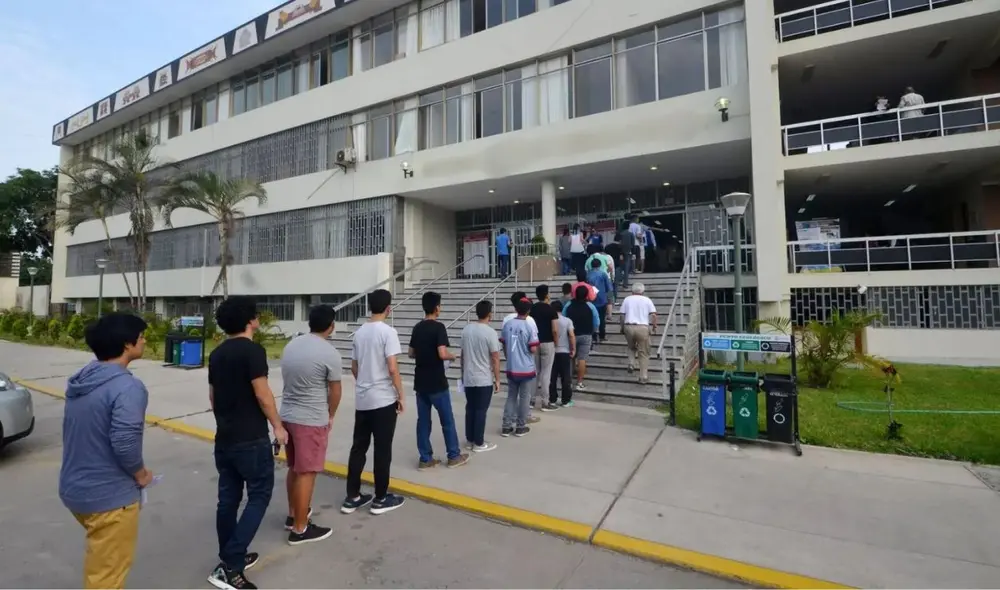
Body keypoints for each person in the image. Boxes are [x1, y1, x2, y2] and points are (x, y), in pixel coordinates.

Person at [60, 313, 151, 590]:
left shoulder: (84, 380)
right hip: (109, 500)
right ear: (127, 344)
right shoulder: (128, 387)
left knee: (102, 565)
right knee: (106, 579)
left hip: (75, 490)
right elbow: (124, 442)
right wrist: (141, 473)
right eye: (141, 336)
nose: (145, 340)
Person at [208, 296, 285, 590]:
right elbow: (263, 395)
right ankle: (231, 563)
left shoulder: (217, 354)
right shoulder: (253, 352)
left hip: (224, 438)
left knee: (227, 500)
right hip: (250, 438)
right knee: (259, 496)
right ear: (250, 321)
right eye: (256, 316)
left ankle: (229, 555)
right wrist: (278, 426)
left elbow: (213, 398)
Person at [279, 304, 342, 546]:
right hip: (311, 419)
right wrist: (330, 415)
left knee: (294, 468)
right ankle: (300, 529)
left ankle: (294, 515)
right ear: (331, 326)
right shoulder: (329, 353)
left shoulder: (292, 344)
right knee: (307, 472)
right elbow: (335, 391)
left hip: (288, 415)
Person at [343, 289, 406, 515]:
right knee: (382, 449)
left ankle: (353, 496)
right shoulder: (388, 332)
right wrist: (400, 395)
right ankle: (380, 498)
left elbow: (353, 366)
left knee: (359, 447)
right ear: (388, 308)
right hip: (382, 400)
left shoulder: (360, 333)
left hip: (363, 399)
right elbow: (392, 367)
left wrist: (365, 383)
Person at [409, 291, 469, 470]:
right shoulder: (439, 327)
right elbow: (442, 353)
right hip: (437, 382)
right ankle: (453, 455)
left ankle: (425, 458)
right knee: (447, 420)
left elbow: (411, 353)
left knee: (423, 421)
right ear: (436, 308)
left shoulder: (417, 327)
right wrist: (452, 356)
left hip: (420, 382)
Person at [460, 300, 501, 452]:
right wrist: (497, 379)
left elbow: (463, 355)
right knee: (481, 410)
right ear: (490, 314)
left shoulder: (466, 330)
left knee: (470, 408)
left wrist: (462, 374)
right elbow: (495, 358)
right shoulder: (490, 333)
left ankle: (470, 439)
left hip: (469, 377)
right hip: (484, 378)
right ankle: (479, 442)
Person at [499, 297, 539, 437]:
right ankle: (521, 426)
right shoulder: (529, 326)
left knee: (511, 396)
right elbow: (533, 349)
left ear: (516, 309)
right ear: (528, 310)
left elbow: (503, 343)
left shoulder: (508, 324)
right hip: (526, 368)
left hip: (511, 366)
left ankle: (506, 426)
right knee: (524, 397)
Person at [619, 283, 658, 384]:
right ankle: (643, 377)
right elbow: (653, 315)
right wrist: (654, 327)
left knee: (631, 347)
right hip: (642, 327)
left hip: (629, 326)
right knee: (644, 352)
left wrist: (622, 327)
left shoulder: (627, 299)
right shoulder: (647, 300)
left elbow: (622, 315)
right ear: (643, 292)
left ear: (632, 291)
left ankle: (631, 363)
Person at [529, 284, 559, 411]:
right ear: (547, 295)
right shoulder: (551, 310)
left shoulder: (532, 309)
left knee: (535, 372)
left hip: (535, 342)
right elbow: (555, 330)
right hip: (548, 342)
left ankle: (531, 400)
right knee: (546, 373)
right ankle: (545, 402)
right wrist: (556, 343)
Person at [564, 285, 600, 392]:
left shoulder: (568, 305)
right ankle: (579, 383)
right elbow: (597, 322)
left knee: (571, 357)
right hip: (586, 334)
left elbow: (564, 318)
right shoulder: (590, 306)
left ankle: (568, 382)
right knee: (582, 359)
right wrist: (593, 331)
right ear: (587, 295)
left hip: (571, 335)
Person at [547, 301, 576, 409]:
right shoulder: (567, 321)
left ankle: (552, 399)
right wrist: (573, 349)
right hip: (564, 351)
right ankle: (565, 400)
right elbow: (572, 335)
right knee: (565, 377)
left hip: (552, 351)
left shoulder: (550, 320)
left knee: (552, 377)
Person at [587, 258, 614, 343]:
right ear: (599, 265)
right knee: (602, 319)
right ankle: (602, 336)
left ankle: (594, 336)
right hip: (602, 300)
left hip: (591, 300)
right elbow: (609, 288)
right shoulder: (603, 274)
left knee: (592, 319)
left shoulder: (587, 275)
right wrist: (610, 299)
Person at [617, 220, 636, 289]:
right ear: (628, 227)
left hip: (621, 253)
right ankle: (625, 284)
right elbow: (633, 244)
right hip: (628, 253)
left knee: (620, 268)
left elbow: (618, 244)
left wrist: (620, 253)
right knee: (626, 269)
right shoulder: (631, 234)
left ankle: (619, 280)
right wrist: (634, 253)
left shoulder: (620, 234)